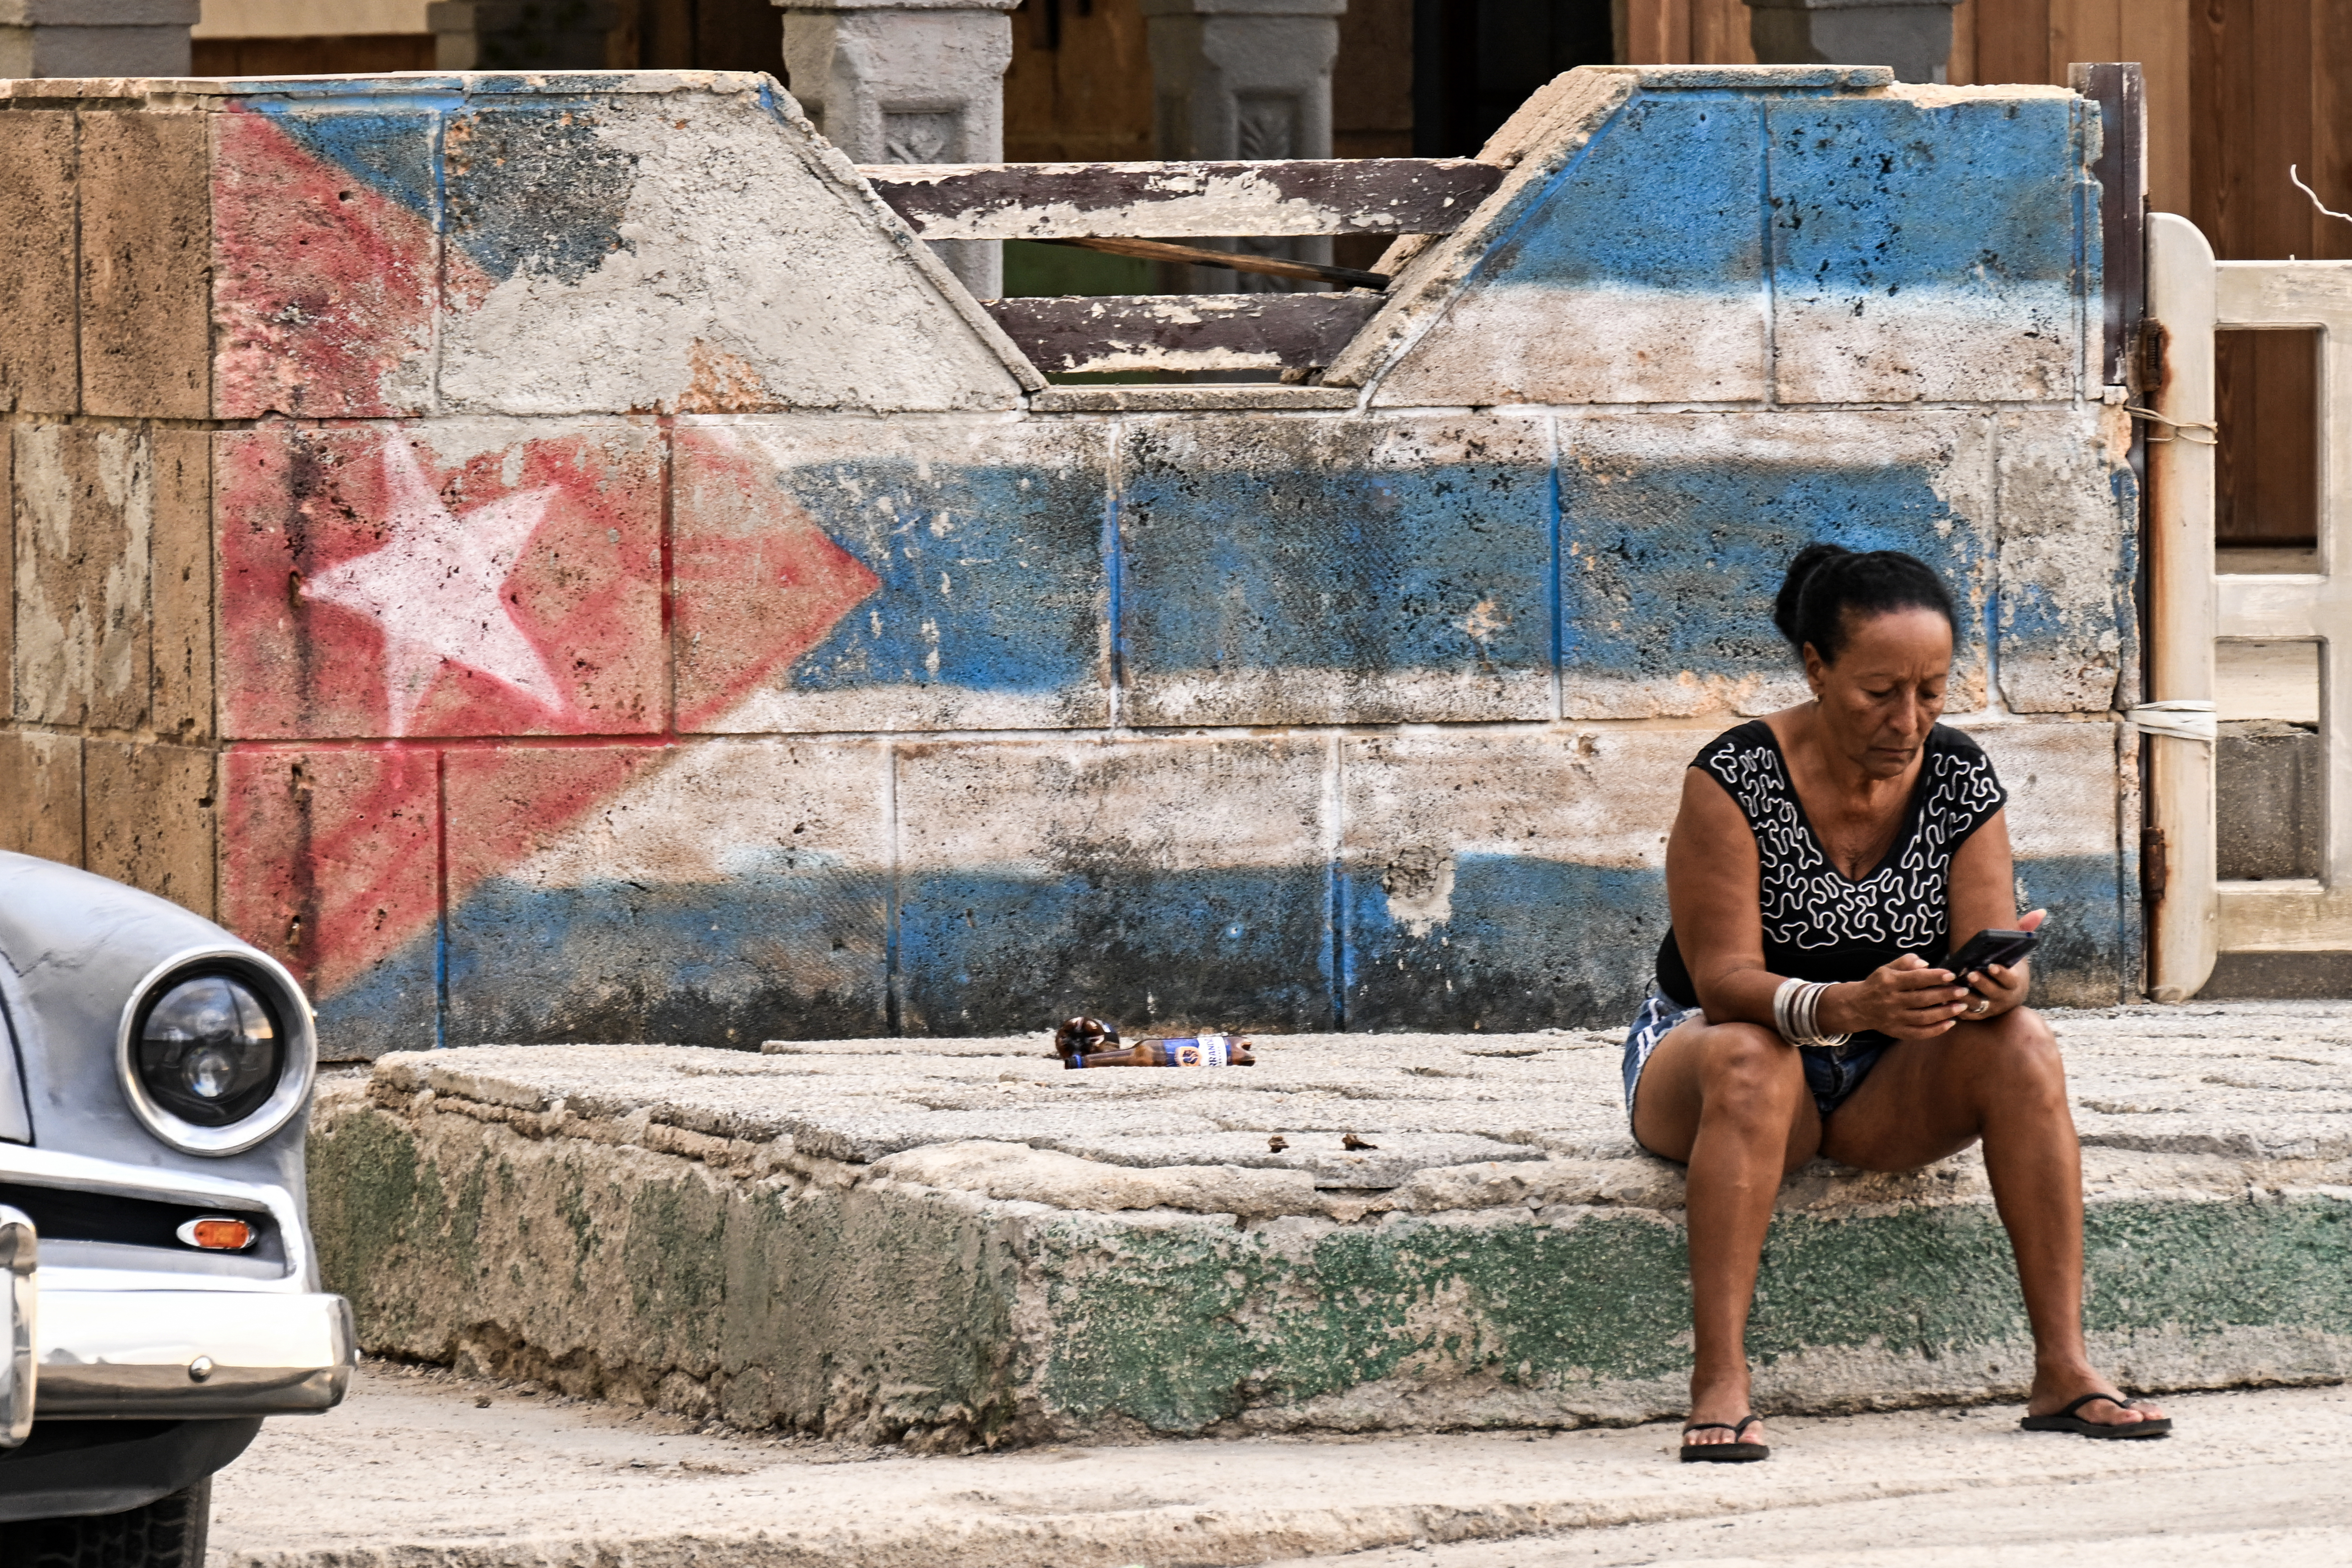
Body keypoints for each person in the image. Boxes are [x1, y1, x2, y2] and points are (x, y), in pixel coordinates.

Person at [1624, 543, 2170, 1463]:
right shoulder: (1732, 779)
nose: (1907, 719)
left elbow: (1993, 949)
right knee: (1751, 1057)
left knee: (2025, 1043)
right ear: (1815, 668)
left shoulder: (1958, 781)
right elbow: (1721, 983)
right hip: (1722, 1061)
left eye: (1929, 690)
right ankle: (1719, 1379)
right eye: (1879, 692)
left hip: (1883, 1078)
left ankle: (2063, 1369)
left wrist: (1995, 983)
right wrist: (1846, 1005)